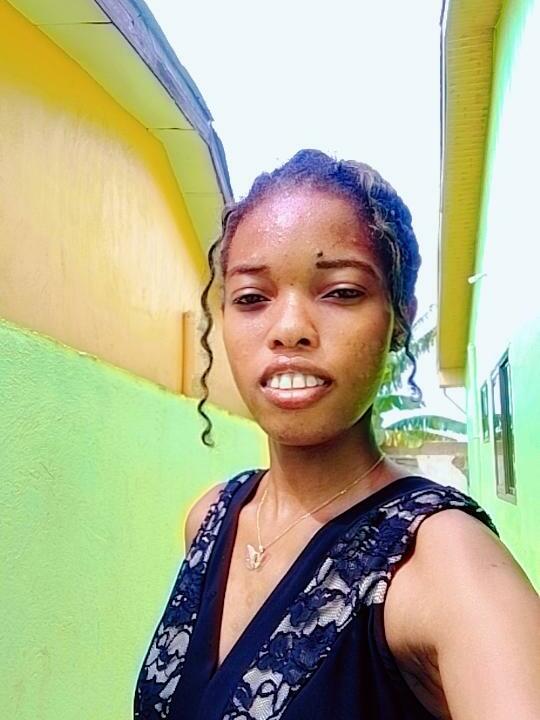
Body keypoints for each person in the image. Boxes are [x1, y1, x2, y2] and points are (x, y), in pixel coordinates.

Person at [134, 149, 540, 719]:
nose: (290, 329)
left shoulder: (446, 563)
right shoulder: (210, 518)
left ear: (399, 318)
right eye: (252, 298)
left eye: (342, 292)